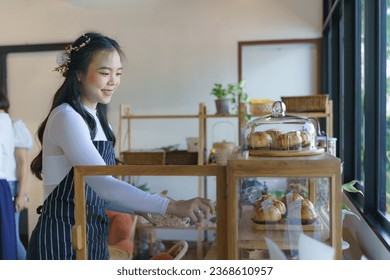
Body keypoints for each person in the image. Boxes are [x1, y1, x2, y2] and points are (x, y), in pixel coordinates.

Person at [27, 32, 214, 260]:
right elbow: (103, 184)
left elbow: (100, 193)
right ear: (78, 74)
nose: (113, 81)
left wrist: (142, 206)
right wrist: (170, 206)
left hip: (92, 231)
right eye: (105, 73)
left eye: (118, 73)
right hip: (62, 236)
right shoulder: (67, 117)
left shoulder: (99, 120)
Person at [0, 87, 17, 260]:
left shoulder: (3, 119)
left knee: (5, 243)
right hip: (3, 184)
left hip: (1, 183)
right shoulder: (5, 120)